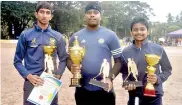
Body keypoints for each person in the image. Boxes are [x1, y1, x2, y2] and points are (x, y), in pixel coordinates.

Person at [67, 2, 122, 105]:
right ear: (85, 16)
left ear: (100, 16)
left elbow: (118, 62)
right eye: (89, 12)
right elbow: (69, 59)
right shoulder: (76, 37)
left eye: (95, 12)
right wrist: (72, 68)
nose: (92, 15)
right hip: (83, 88)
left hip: (104, 89)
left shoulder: (111, 35)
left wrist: (110, 78)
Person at [13, 1, 68, 105]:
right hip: (32, 82)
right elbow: (17, 61)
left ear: (51, 16)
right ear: (36, 14)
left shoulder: (58, 36)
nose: (44, 15)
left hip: (51, 82)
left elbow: (64, 58)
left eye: (48, 13)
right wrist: (28, 76)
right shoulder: (25, 35)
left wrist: (58, 74)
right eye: (42, 12)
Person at [121, 17, 172, 105]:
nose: (139, 32)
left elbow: (167, 69)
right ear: (131, 32)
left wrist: (158, 79)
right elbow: (125, 72)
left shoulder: (158, 49)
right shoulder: (125, 52)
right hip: (135, 94)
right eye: (135, 30)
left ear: (148, 31)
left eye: (142, 29)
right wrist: (127, 82)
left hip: (154, 95)